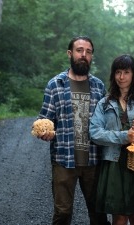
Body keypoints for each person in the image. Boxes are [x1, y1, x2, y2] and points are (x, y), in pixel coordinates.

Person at [35, 36, 109, 225]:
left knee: (98, 213)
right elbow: (45, 118)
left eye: (88, 51)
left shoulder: (99, 86)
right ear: (70, 53)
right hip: (63, 159)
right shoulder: (55, 84)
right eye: (79, 50)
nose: (84, 55)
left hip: (93, 160)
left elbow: (107, 121)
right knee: (63, 213)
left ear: (92, 56)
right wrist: (44, 131)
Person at [89, 54, 134, 225]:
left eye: (126, 72)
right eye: (118, 72)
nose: (121, 77)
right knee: (119, 217)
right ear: (113, 75)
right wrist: (123, 136)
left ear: (133, 74)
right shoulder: (104, 104)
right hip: (114, 163)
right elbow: (94, 133)